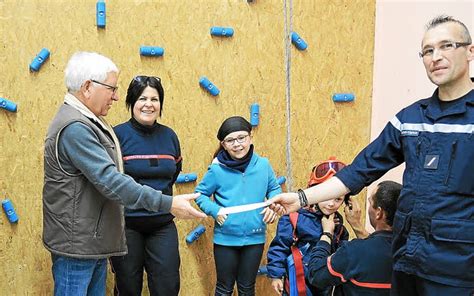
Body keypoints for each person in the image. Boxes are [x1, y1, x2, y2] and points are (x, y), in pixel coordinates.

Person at [270, 15, 474, 295]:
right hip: (406, 264)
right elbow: (359, 170)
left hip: (457, 274)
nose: (435, 57)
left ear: (469, 51)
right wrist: (302, 198)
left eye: (446, 46)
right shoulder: (410, 120)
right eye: (428, 50)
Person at [42, 52, 206, 296]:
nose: (116, 96)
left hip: (91, 243)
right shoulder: (76, 128)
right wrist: (168, 203)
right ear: (88, 87)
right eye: (112, 88)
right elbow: (112, 181)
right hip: (78, 246)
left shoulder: (89, 122)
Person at [110, 76, 182, 295]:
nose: (149, 104)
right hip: (126, 226)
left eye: (155, 99)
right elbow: (110, 181)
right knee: (128, 288)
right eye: (142, 98)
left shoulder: (170, 136)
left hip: (162, 224)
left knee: (167, 287)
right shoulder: (116, 135)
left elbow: (173, 173)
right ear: (131, 102)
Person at [194, 116, 282, 296]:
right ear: (223, 144)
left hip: (255, 239)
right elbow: (200, 194)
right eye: (230, 140)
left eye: (241, 138)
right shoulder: (216, 170)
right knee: (224, 288)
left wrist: (273, 206)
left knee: (247, 287)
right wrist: (214, 210)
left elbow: (274, 188)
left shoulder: (263, 165)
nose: (237, 144)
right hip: (225, 240)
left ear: (251, 138)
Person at [266, 157, 349, 296]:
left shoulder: (339, 226)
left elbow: (342, 253)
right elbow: (279, 246)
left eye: (338, 199)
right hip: (296, 284)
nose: (331, 204)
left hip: (324, 284)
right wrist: (276, 275)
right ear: (315, 193)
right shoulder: (294, 218)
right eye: (327, 197)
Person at [307, 181, 402, 296]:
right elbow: (379, 247)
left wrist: (327, 234)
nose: (331, 204)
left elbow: (316, 275)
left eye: (370, 202)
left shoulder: (354, 251)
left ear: (379, 213)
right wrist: (357, 225)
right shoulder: (414, 250)